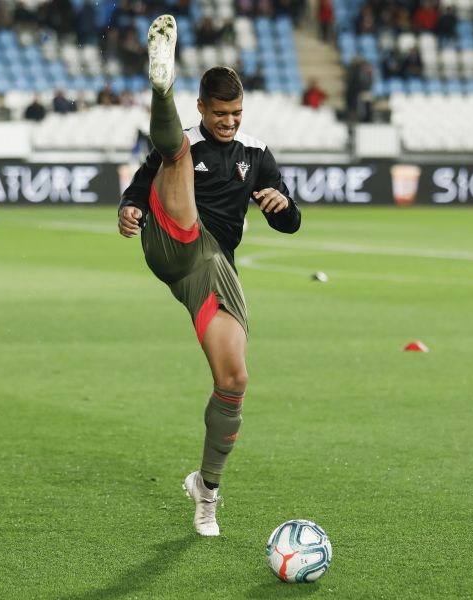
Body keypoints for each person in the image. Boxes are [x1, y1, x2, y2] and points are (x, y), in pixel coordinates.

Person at [118, 15, 301, 537]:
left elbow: (292, 222)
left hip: (212, 270)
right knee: (174, 154)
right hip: (173, 238)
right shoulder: (189, 142)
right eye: (221, 114)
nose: (229, 123)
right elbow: (138, 188)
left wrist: (280, 204)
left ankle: (207, 489)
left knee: (234, 380)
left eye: (236, 114)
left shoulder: (256, 153)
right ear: (202, 108)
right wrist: (130, 209)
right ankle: (162, 87)